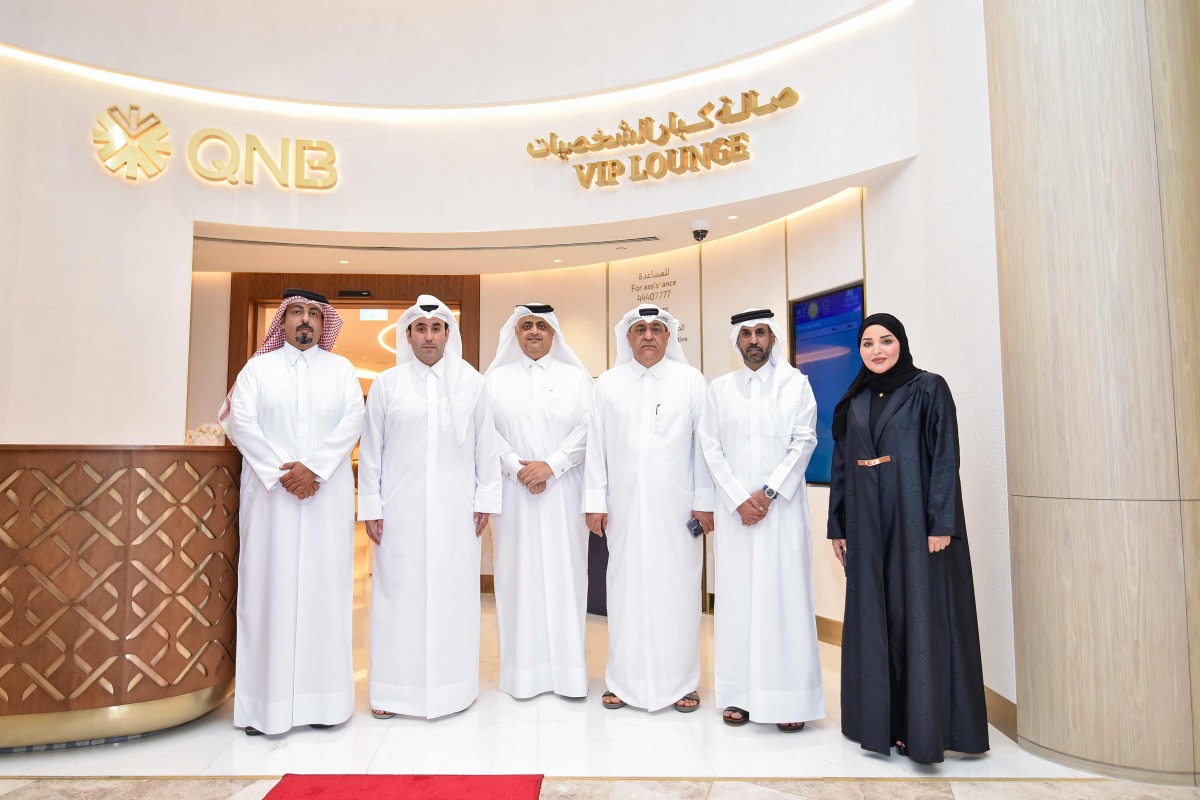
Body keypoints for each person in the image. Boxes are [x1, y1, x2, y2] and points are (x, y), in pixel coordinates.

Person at [828, 312, 989, 763]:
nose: (876, 350)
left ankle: (920, 729)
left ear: (901, 343)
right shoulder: (854, 398)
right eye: (867, 343)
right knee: (876, 619)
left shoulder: (928, 388)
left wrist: (942, 523)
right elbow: (842, 466)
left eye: (885, 340)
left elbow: (944, 457)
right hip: (866, 525)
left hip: (917, 526)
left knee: (918, 618)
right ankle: (879, 725)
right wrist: (837, 526)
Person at [218, 289, 364, 736]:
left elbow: (353, 420)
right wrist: (282, 472)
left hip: (324, 497)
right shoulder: (257, 369)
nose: (305, 321)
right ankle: (266, 708)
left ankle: (326, 705)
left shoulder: (341, 371)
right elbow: (239, 421)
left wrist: (314, 469)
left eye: (313, 314)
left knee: (326, 592)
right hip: (271, 500)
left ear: (324, 325)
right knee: (269, 592)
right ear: (283, 321)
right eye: (297, 312)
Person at [357, 294, 502, 720]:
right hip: (399, 512)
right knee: (395, 595)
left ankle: (453, 690)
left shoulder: (472, 383)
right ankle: (391, 692)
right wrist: (371, 506)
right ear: (409, 336)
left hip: (457, 513)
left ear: (447, 335)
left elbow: (485, 447)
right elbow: (372, 450)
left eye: (436, 328)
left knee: (453, 596)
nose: (428, 336)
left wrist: (486, 499)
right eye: (420, 328)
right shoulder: (388, 384)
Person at [698, 308, 824, 732]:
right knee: (736, 601)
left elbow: (804, 440)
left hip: (781, 513)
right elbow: (710, 448)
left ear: (773, 339)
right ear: (736, 341)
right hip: (735, 517)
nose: (753, 340)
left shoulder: (796, 385)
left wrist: (767, 493)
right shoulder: (719, 390)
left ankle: (789, 701)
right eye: (746, 334)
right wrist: (737, 498)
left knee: (784, 601)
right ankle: (738, 696)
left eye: (761, 333)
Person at [584, 303, 715, 713]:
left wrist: (704, 502)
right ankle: (622, 681)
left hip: (679, 512)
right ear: (627, 338)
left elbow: (705, 447)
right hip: (623, 509)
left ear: (668, 336)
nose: (648, 336)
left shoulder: (691, 382)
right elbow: (595, 449)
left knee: (677, 592)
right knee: (624, 591)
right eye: (639, 329)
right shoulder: (606, 384)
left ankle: (682, 683)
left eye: (656, 329)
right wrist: (594, 501)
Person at [485, 303, 594, 700]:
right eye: (526, 325)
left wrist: (551, 466)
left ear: (554, 335)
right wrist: (518, 468)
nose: (534, 332)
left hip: (563, 492)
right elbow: (486, 433)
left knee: (566, 577)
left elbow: (589, 429)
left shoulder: (577, 379)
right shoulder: (494, 381)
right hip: (513, 495)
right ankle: (522, 676)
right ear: (516, 334)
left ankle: (568, 674)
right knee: (516, 578)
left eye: (542, 326)